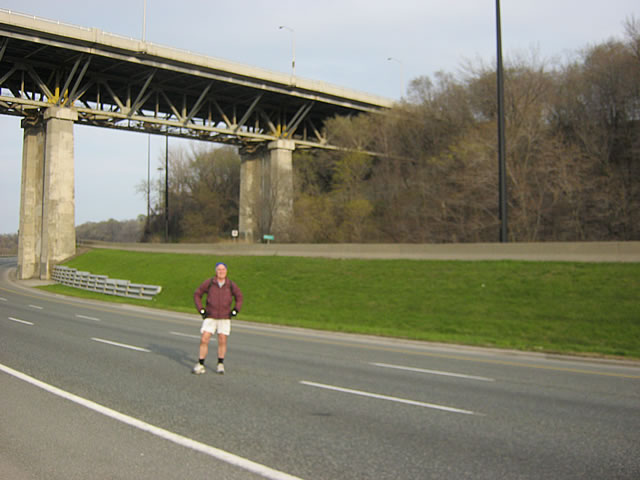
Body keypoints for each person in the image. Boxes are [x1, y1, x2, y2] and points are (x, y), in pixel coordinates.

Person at [192, 262, 243, 375]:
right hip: (210, 316)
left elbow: (239, 296)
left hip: (224, 317)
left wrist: (236, 310)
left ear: (226, 271)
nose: (221, 272)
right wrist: (201, 309)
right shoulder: (210, 283)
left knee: (222, 339)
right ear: (216, 271)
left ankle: (220, 363)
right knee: (204, 339)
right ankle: (200, 363)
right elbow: (197, 294)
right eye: (219, 270)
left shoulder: (230, 284)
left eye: (223, 270)